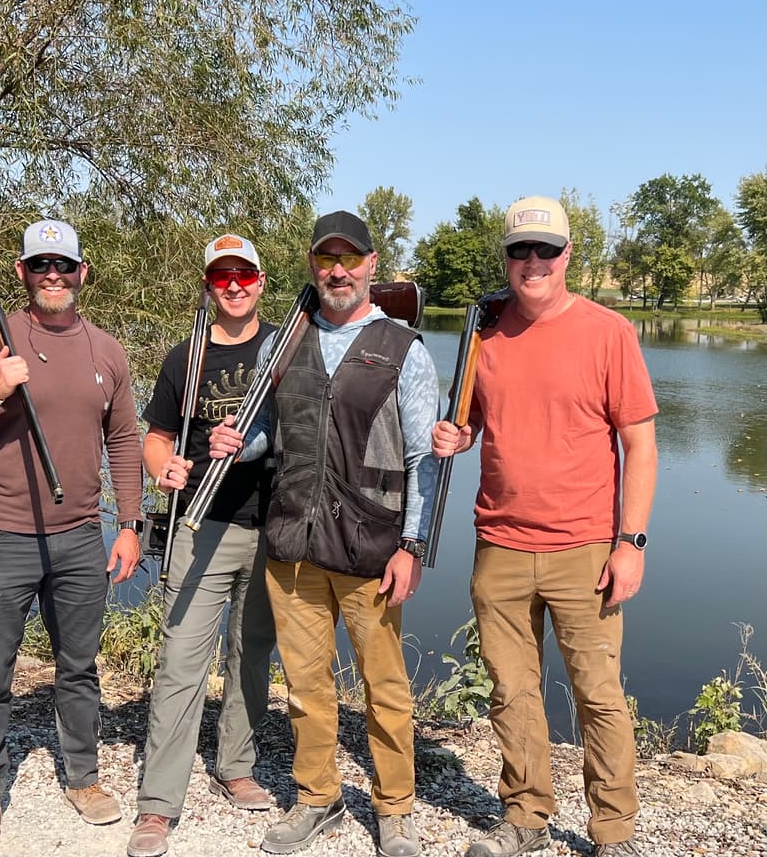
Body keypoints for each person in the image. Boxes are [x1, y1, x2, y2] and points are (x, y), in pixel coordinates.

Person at [432, 196, 658, 857]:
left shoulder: (608, 332)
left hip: (586, 549)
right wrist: (456, 435)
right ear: (505, 257)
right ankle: (526, 816)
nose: (533, 262)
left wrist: (631, 543)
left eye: (546, 250)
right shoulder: (483, 333)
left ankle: (613, 831)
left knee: (599, 696)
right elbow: (472, 422)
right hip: (499, 545)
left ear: (567, 254)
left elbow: (640, 447)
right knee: (511, 691)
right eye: (520, 250)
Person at [210, 211, 439, 857]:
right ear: (313, 265)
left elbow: (423, 458)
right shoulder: (284, 342)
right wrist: (240, 443)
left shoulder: (404, 349)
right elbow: (268, 430)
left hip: (372, 548)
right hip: (293, 546)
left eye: (350, 259)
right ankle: (318, 798)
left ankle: (395, 808)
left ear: (371, 265)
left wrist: (412, 546)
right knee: (307, 687)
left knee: (384, 689)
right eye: (326, 259)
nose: (338, 271)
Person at [0, 218, 144, 851]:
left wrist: (129, 523)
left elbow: (123, 440)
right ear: (21, 272)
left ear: (83, 274)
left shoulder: (106, 350)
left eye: (64, 265)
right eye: (41, 265)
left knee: (78, 667)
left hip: (80, 536)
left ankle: (83, 776)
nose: (54, 275)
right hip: (3, 537)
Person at [127, 234, 278, 857]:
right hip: (199, 525)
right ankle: (159, 802)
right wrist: (162, 467)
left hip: (271, 529)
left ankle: (235, 766)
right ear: (209, 286)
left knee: (251, 654)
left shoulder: (286, 349)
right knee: (181, 662)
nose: (234, 285)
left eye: (244, 275)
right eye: (222, 277)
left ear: (260, 282)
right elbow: (156, 437)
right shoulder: (186, 357)